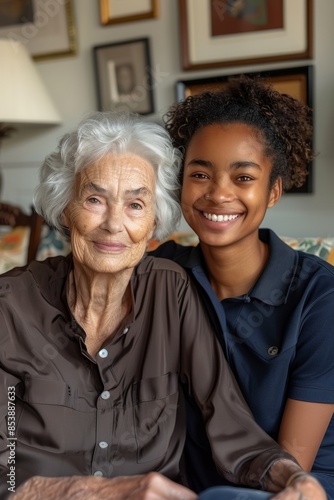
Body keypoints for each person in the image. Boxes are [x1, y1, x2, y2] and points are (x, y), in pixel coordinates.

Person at [0, 112, 326, 500]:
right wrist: (86, 491)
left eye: (136, 204)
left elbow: (232, 427)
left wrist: (294, 480)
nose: (113, 224)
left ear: (155, 220)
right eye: (94, 199)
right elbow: (7, 465)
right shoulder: (12, 305)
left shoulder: (172, 291)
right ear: (65, 209)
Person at [151, 76, 334, 497]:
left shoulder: (318, 297)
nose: (218, 194)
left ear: (273, 191)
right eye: (200, 174)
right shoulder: (162, 273)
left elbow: (291, 466)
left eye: (243, 178)